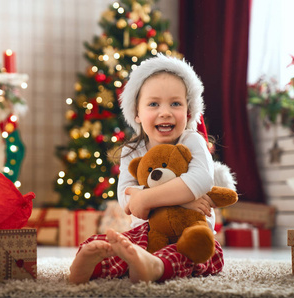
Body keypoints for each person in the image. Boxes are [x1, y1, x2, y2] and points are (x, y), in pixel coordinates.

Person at [69, 54, 232, 284]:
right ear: (137, 112)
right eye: (153, 104)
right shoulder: (131, 151)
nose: (165, 112)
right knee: (116, 244)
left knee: (198, 255)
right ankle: (90, 265)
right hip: (146, 231)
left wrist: (145, 198)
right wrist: (183, 198)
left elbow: (201, 179)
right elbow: (128, 201)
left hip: (192, 233)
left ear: (188, 112)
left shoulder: (193, 141)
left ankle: (154, 266)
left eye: (175, 103)